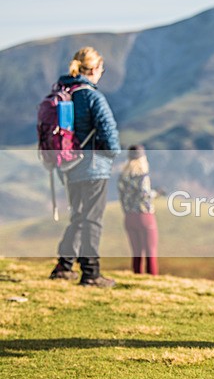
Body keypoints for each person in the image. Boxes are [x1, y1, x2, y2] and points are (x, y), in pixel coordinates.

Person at [48, 47, 121, 287]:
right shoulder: (92, 96)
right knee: (92, 219)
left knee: (78, 216)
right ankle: (91, 273)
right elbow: (109, 132)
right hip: (93, 165)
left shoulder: (64, 91)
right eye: (101, 68)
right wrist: (111, 154)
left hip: (68, 166)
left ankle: (64, 265)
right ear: (95, 69)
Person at [118, 145, 159, 275]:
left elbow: (122, 197)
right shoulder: (142, 176)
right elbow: (144, 195)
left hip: (129, 217)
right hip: (144, 216)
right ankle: (153, 277)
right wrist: (156, 193)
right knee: (150, 250)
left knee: (136, 251)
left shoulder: (123, 176)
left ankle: (137, 275)